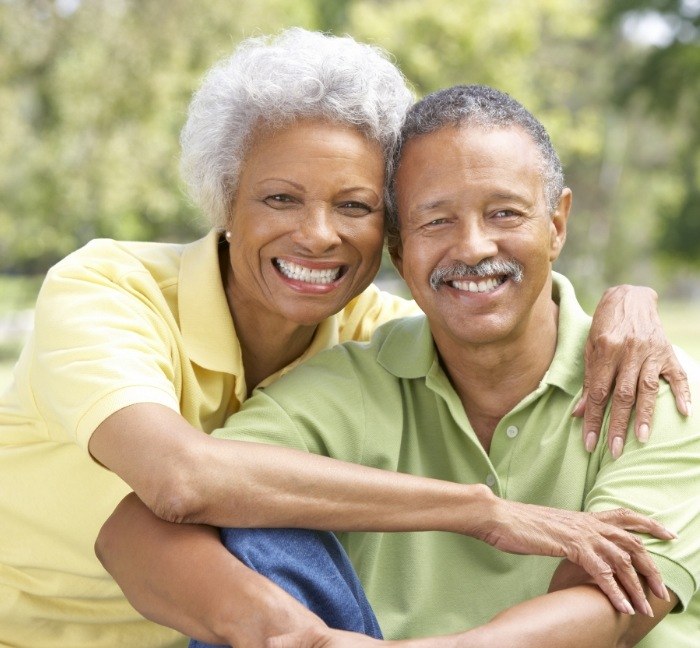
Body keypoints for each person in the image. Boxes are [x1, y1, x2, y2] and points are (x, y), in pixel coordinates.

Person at [0, 28, 687, 647]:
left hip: (205, 630)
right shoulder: (108, 289)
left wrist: (629, 305)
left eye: (353, 205)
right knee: (261, 516)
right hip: (44, 631)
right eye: (280, 198)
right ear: (225, 201)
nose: (318, 234)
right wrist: (484, 513)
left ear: (385, 231)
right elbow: (181, 482)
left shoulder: (376, 337)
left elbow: (487, 310)